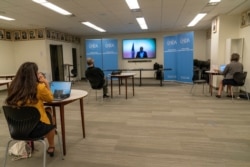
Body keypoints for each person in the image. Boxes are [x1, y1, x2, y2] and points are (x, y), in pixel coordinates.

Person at [5, 62, 56, 157]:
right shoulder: (39, 87)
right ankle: (51, 146)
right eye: (37, 72)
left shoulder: (13, 87)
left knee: (29, 113)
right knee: (49, 113)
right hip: (35, 129)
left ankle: (28, 142)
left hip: (17, 129)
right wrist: (46, 83)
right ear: (33, 75)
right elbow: (50, 99)